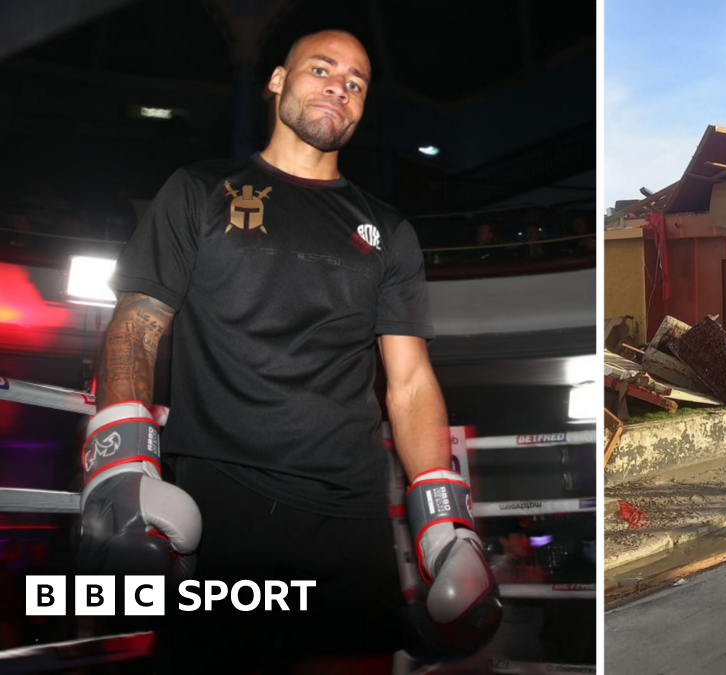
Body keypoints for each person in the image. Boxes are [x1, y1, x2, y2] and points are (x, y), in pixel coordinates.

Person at [82, 30, 499, 673]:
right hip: (218, 501)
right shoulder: (198, 191)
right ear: (277, 80)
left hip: (347, 509)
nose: (340, 86)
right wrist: (119, 462)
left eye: (356, 82)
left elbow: (410, 381)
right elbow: (137, 323)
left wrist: (445, 517)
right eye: (322, 69)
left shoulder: (387, 229)